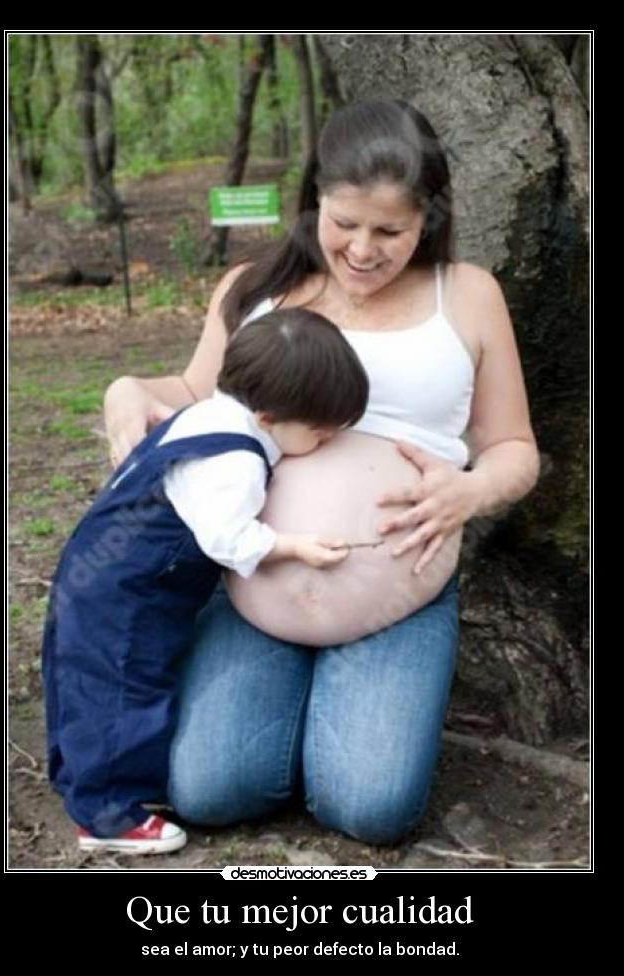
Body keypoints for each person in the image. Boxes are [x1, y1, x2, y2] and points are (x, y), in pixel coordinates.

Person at [103, 98, 540, 845]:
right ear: (314, 204)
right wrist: (126, 393)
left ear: (427, 222)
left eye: (389, 231)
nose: (363, 249)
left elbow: (515, 449)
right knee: (206, 790)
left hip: (397, 594)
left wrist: (469, 489)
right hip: (252, 589)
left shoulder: (466, 296)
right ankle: (287, 698)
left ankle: (346, 706)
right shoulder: (253, 289)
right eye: (345, 223)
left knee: (371, 809)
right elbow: (193, 396)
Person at [42, 308, 369, 855]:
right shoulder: (233, 462)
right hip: (134, 592)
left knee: (86, 678)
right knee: (126, 684)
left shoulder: (206, 417)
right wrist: (291, 545)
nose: (326, 439)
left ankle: (82, 779)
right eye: (318, 432)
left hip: (98, 569)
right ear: (267, 417)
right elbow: (226, 538)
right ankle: (108, 815)